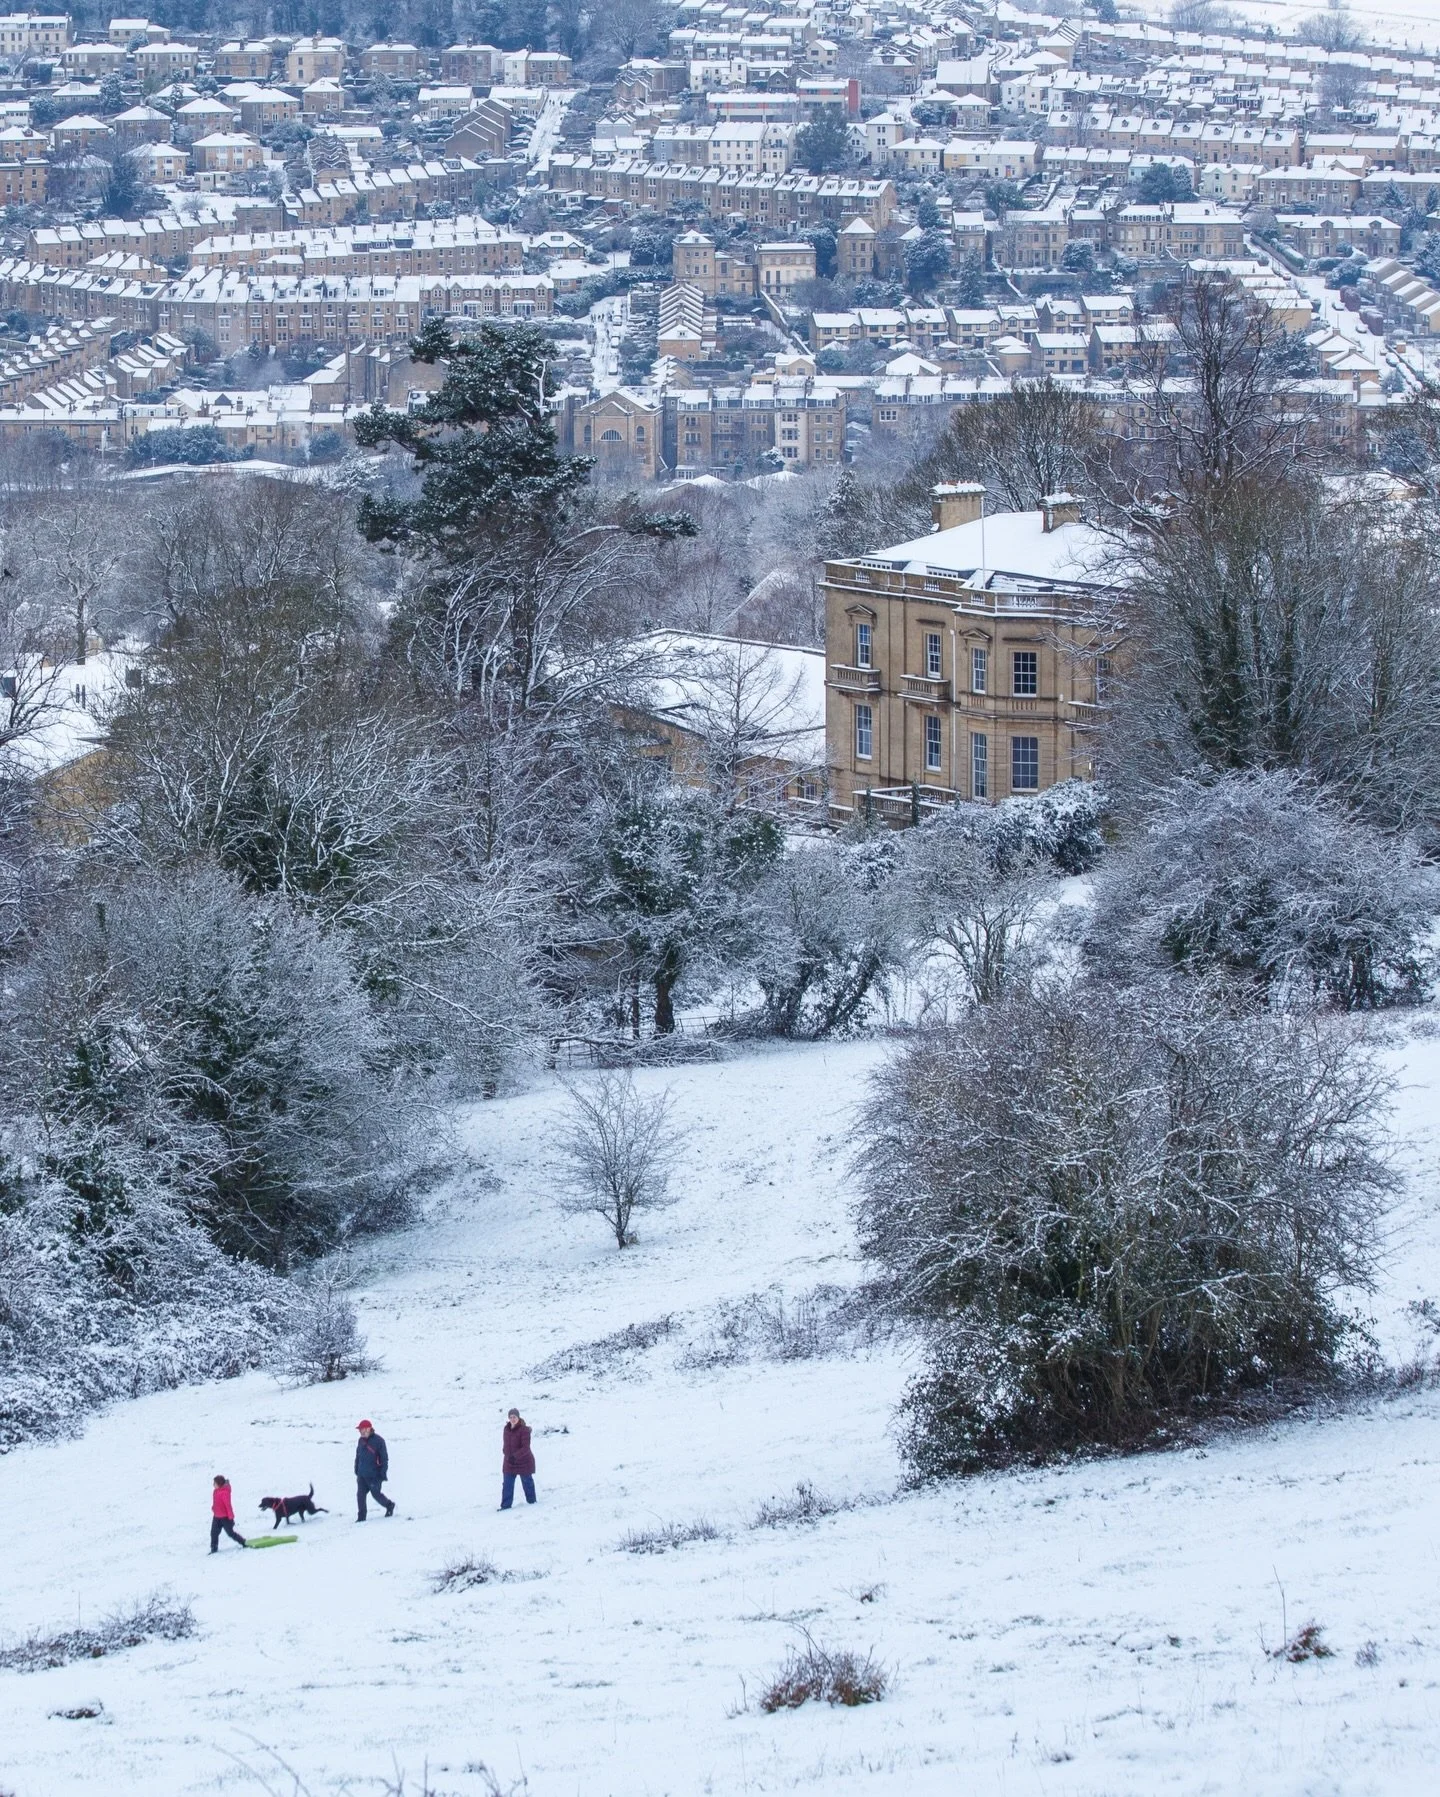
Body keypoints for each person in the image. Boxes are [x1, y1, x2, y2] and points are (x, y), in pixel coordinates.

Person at [354, 1419, 395, 1521]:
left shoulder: (379, 1441)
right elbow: (358, 1456)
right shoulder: (360, 1441)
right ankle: (361, 1517)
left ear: (368, 1429)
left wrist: (383, 1473)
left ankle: (389, 1505)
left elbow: (384, 1459)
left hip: (374, 1476)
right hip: (362, 1475)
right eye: (360, 1430)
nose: (360, 1432)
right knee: (360, 1496)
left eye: (362, 1429)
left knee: (376, 1495)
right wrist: (356, 1468)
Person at [500, 1408, 537, 1510]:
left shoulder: (524, 1430)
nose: (513, 1419)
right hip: (509, 1462)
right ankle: (505, 1506)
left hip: (524, 1462)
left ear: (518, 1417)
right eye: (511, 1417)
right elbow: (506, 1444)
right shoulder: (506, 1429)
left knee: (527, 1483)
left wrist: (515, 1456)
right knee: (507, 1484)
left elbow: (526, 1448)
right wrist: (505, 1453)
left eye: (514, 1417)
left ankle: (532, 1502)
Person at [210, 1475, 248, 1552]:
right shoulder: (215, 1491)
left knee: (230, 1533)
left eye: (215, 1483)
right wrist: (213, 1508)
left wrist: (231, 1518)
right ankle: (214, 1548)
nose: (213, 1484)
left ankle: (243, 1542)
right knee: (213, 1533)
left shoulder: (225, 1493)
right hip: (216, 1516)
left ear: (219, 1484)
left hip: (225, 1518)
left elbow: (228, 1505)